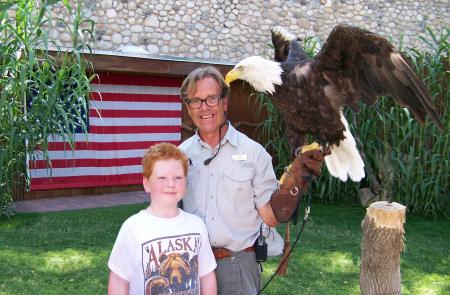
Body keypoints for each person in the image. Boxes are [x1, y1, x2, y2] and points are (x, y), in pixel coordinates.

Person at [179, 66, 326, 294]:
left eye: (211, 99)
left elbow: (271, 217)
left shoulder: (254, 153)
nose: (204, 107)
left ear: (225, 102)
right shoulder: (179, 156)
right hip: (190, 266)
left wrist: (297, 180)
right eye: (195, 101)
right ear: (188, 108)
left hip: (236, 266)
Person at [108, 142, 217, 295]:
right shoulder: (132, 228)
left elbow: (206, 275)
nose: (171, 184)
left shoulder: (197, 225)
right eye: (162, 178)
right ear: (147, 184)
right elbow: (119, 280)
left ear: (185, 181)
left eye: (178, 177)